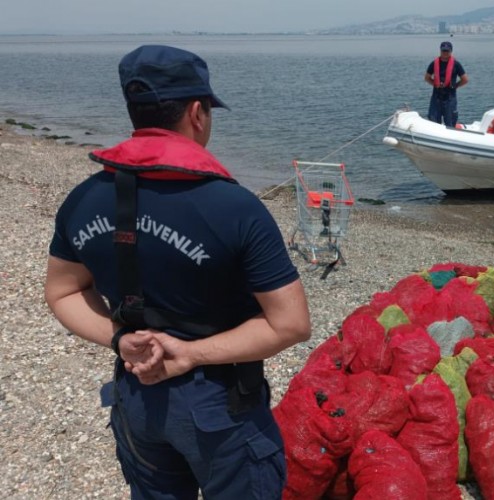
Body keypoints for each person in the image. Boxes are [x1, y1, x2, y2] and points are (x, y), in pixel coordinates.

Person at [44, 44, 311, 499]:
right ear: (197, 112)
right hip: (220, 404)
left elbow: (63, 292)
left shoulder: (85, 198)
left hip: (137, 392)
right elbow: (290, 324)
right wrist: (191, 354)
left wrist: (120, 338)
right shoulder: (235, 209)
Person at [425, 41, 469, 127]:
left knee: (450, 121)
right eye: (443, 51)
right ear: (440, 51)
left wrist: (456, 86)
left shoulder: (456, 64)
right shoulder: (434, 63)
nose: (445, 53)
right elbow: (427, 77)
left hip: (450, 97)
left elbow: (465, 79)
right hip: (436, 96)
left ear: (451, 51)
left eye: (447, 51)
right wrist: (435, 84)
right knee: (433, 120)